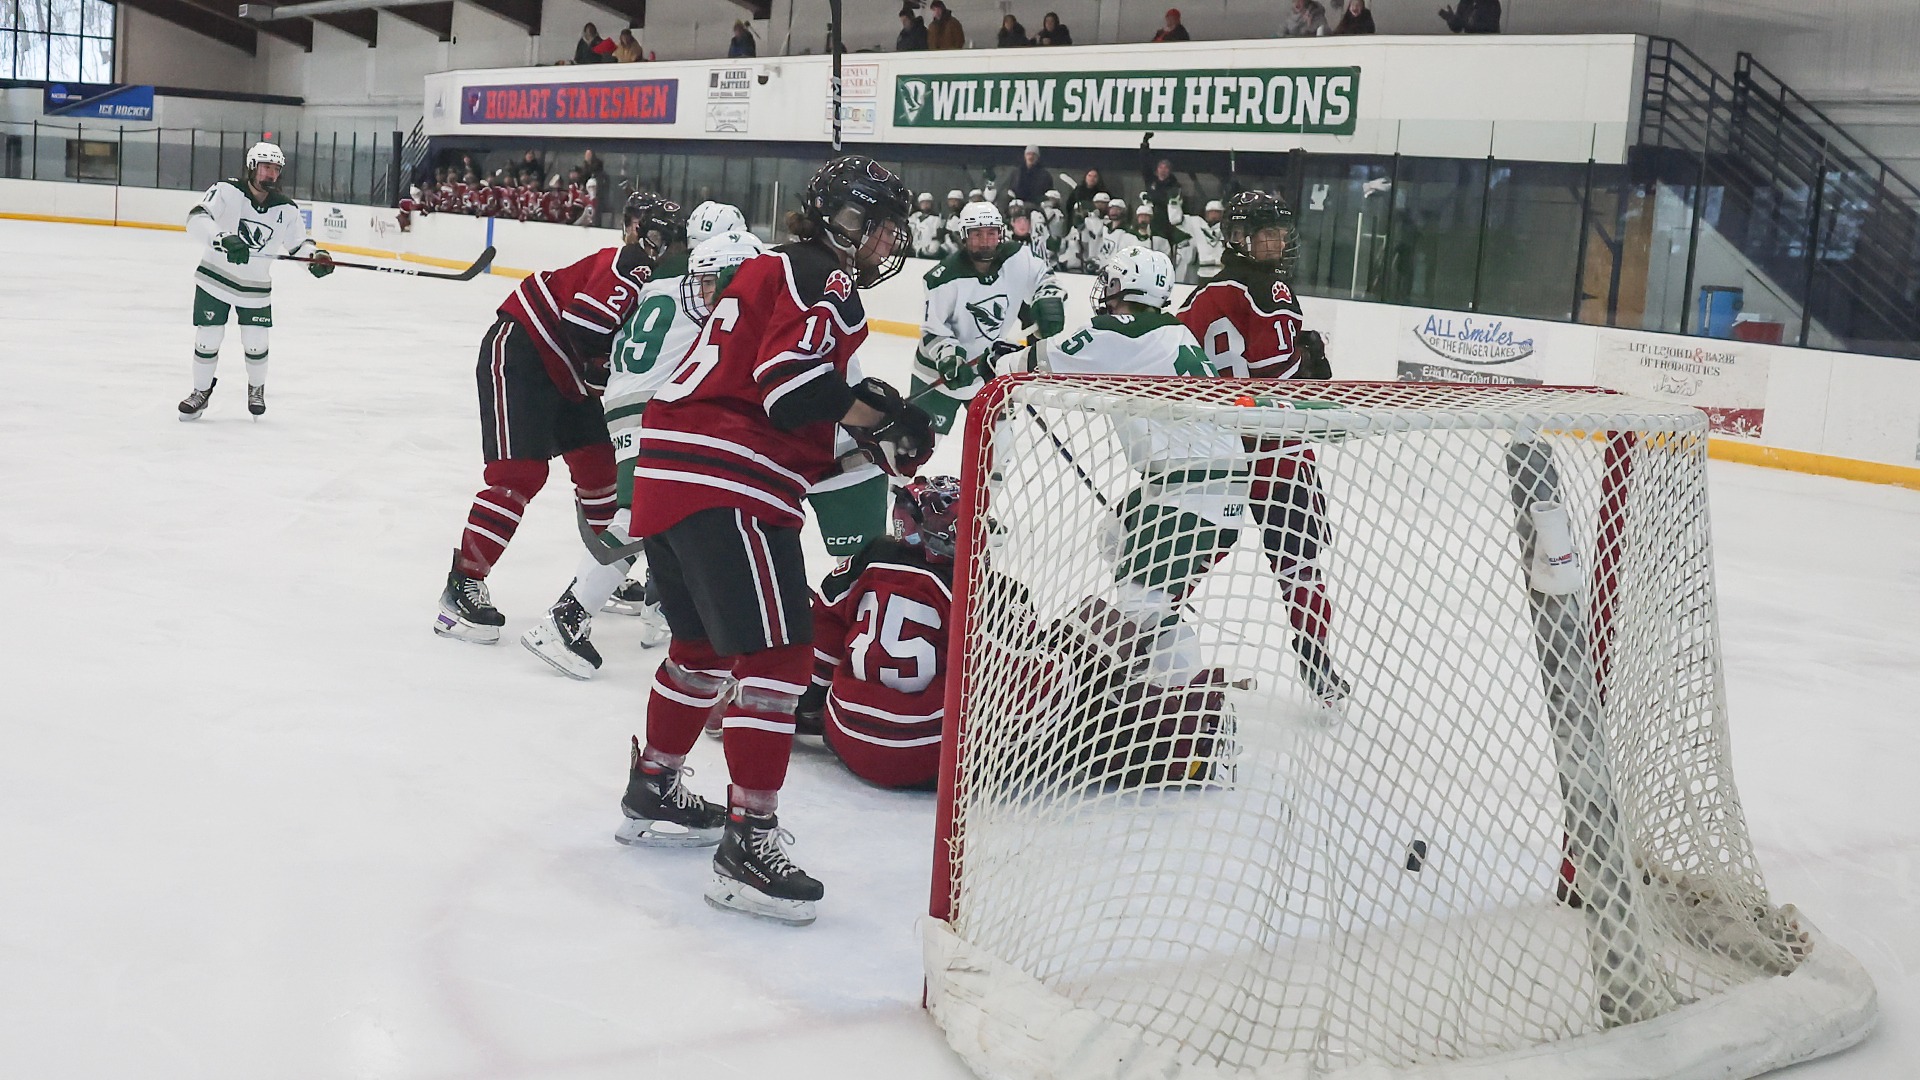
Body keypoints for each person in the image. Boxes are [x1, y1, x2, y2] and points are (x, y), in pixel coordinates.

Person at [618, 156, 931, 926]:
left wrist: (867, 432)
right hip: (729, 477)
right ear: (838, 218)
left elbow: (786, 408)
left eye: (892, 226)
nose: (884, 238)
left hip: (671, 469)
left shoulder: (773, 270)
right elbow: (792, 392)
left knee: (700, 648)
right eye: (875, 221)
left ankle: (652, 786)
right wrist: (880, 415)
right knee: (780, 659)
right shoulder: (824, 278)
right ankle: (747, 843)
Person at [980, 246, 1246, 701]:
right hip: (1194, 484)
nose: (1106, 293)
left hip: (1189, 494)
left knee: (1143, 606)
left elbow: (1034, 363)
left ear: (1126, 287)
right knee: (1115, 533)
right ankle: (1158, 639)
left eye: (1113, 283)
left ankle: (1184, 704)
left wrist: (1001, 360)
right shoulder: (1169, 331)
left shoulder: (1121, 330)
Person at [433, 192, 679, 644]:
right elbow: (585, 328)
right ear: (632, 229)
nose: (660, 247)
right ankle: (461, 585)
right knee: (517, 474)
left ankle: (600, 577)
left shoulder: (663, 280)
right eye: (654, 235)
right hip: (525, 349)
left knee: (604, 476)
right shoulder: (629, 263)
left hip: (574, 378)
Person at [522, 229, 767, 679]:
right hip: (647, 409)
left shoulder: (663, 286)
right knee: (638, 517)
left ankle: (663, 608)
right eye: (708, 280)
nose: (707, 290)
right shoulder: (722, 311)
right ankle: (566, 618)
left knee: (664, 515)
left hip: (627, 401)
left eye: (713, 281)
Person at [1174, 190, 1348, 701]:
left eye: (1279, 233)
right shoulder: (1269, 292)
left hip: (1216, 450)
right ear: (1238, 237)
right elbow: (1279, 379)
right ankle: (1316, 662)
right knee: (1299, 562)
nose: (1276, 242)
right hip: (1276, 451)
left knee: (1191, 551)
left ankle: (1145, 629)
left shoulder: (1202, 297)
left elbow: (1175, 352)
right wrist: (1312, 368)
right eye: (1265, 233)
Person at [795, 478, 961, 789]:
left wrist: (802, 701)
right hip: (928, 754)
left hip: (844, 731)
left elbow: (824, 631)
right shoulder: (973, 588)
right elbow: (1014, 681)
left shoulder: (871, 555)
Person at [179, 141, 333, 421]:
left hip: (255, 289)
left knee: (256, 344)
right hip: (215, 280)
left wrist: (316, 259)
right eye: (265, 167)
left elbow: (299, 246)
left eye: (276, 169)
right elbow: (197, 217)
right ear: (252, 167)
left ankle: (256, 388)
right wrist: (223, 239)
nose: (271, 174)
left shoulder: (287, 209)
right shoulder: (226, 190)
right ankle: (200, 392)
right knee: (207, 339)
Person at [912, 201, 1067, 436]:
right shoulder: (941, 279)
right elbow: (933, 331)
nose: (985, 241)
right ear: (963, 236)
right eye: (976, 234)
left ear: (1000, 234)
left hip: (989, 370)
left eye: (991, 233)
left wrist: (1047, 298)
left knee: (998, 457)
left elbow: (1043, 276)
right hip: (940, 374)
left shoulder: (1017, 257)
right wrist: (949, 358)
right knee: (916, 449)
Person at [1168, 195, 1225, 283]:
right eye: (1211, 212)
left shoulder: (1227, 227)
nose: (1213, 215)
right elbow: (1176, 220)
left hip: (1222, 272)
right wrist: (1174, 205)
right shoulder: (1197, 224)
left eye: (1216, 212)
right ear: (1206, 213)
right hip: (1204, 274)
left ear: (1222, 214)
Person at [909, 192, 946, 259]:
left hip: (928, 252)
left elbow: (937, 237)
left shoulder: (936, 219)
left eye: (927, 202)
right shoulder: (914, 218)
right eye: (923, 203)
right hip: (914, 250)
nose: (925, 205)